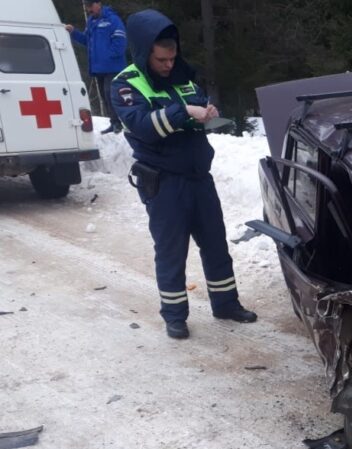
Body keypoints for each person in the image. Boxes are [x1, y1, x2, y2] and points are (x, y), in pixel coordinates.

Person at [111, 9, 256, 340]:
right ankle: (175, 316)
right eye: (162, 59)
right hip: (164, 182)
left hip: (198, 177)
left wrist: (206, 113)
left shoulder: (183, 76)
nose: (168, 65)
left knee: (216, 246)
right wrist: (183, 112)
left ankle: (226, 304)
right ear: (144, 51)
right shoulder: (125, 85)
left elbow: (195, 109)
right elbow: (143, 127)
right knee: (172, 252)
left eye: (172, 58)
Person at [65, 1, 127, 134]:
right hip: (98, 68)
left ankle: (120, 123)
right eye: (87, 7)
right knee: (105, 97)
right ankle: (114, 122)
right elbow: (86, 40)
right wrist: (73, 32)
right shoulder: (91, 22)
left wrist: (109, 55)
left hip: (112, 67)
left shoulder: (112, 19)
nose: (88, 10)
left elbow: (121, 41)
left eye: (90, 6)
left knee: (110, 94)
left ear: (98, 4)